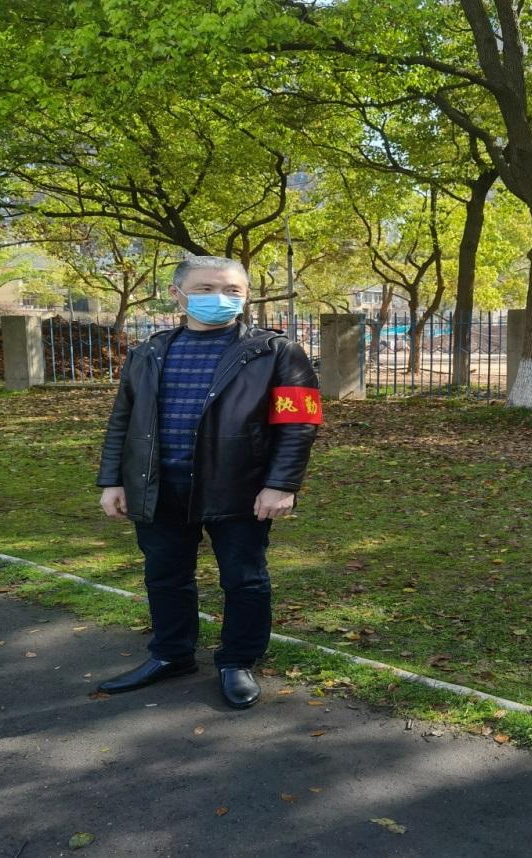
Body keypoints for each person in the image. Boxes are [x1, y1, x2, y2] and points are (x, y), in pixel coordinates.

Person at [96, 256, 321, 709]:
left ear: (246, 296)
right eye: (205, 288)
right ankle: (171, 654)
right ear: (176, 294)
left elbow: (299, 424)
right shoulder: (148, 352)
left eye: (233, 290)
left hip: (238, 487)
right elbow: (123, 420)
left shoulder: (277, 352)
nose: (220, 298)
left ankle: (237, 660)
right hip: (158, 487)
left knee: (243, 579)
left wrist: (281, 485)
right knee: (164, 577)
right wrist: (112, 480)